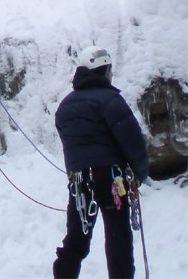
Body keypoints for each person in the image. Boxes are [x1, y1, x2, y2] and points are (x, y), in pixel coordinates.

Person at [53, 45, 149, 279]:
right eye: (110, 69)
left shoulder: (64, 107)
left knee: (76, 238)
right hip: (111, 178)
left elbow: (70, 145)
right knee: (118, 238)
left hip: (79, 180)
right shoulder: (110, 100)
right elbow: (132, 141)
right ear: (103, 69)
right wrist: (140, 173)